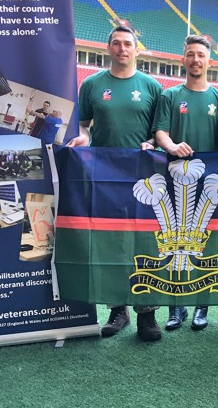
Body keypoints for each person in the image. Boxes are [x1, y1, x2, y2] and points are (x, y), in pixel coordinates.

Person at [66, 25, 164, 342]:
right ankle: (116, 309)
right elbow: (82, 125)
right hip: (104, 176)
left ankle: (147, 314)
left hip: (143, 178)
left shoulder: (151, 86)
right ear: (108, 48)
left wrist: (151, 142)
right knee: (110, 243)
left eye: (128, 44)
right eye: (117, 43)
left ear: (137, 49)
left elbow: (159, 131)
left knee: (145, 244)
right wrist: (81, 137)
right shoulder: (92, 84)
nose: (122, 48)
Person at [153, 35, 218, 332]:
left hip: (209, 183)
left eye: (201, 55)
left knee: (204, 243)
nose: (196, 59)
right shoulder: (170, 96)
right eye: (190, 54)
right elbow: (160, 133)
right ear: (184, 59)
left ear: (209, 61)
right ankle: (175, 306)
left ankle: (201, 305)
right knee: (175, 242)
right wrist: (171, 146)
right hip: (175, 179)